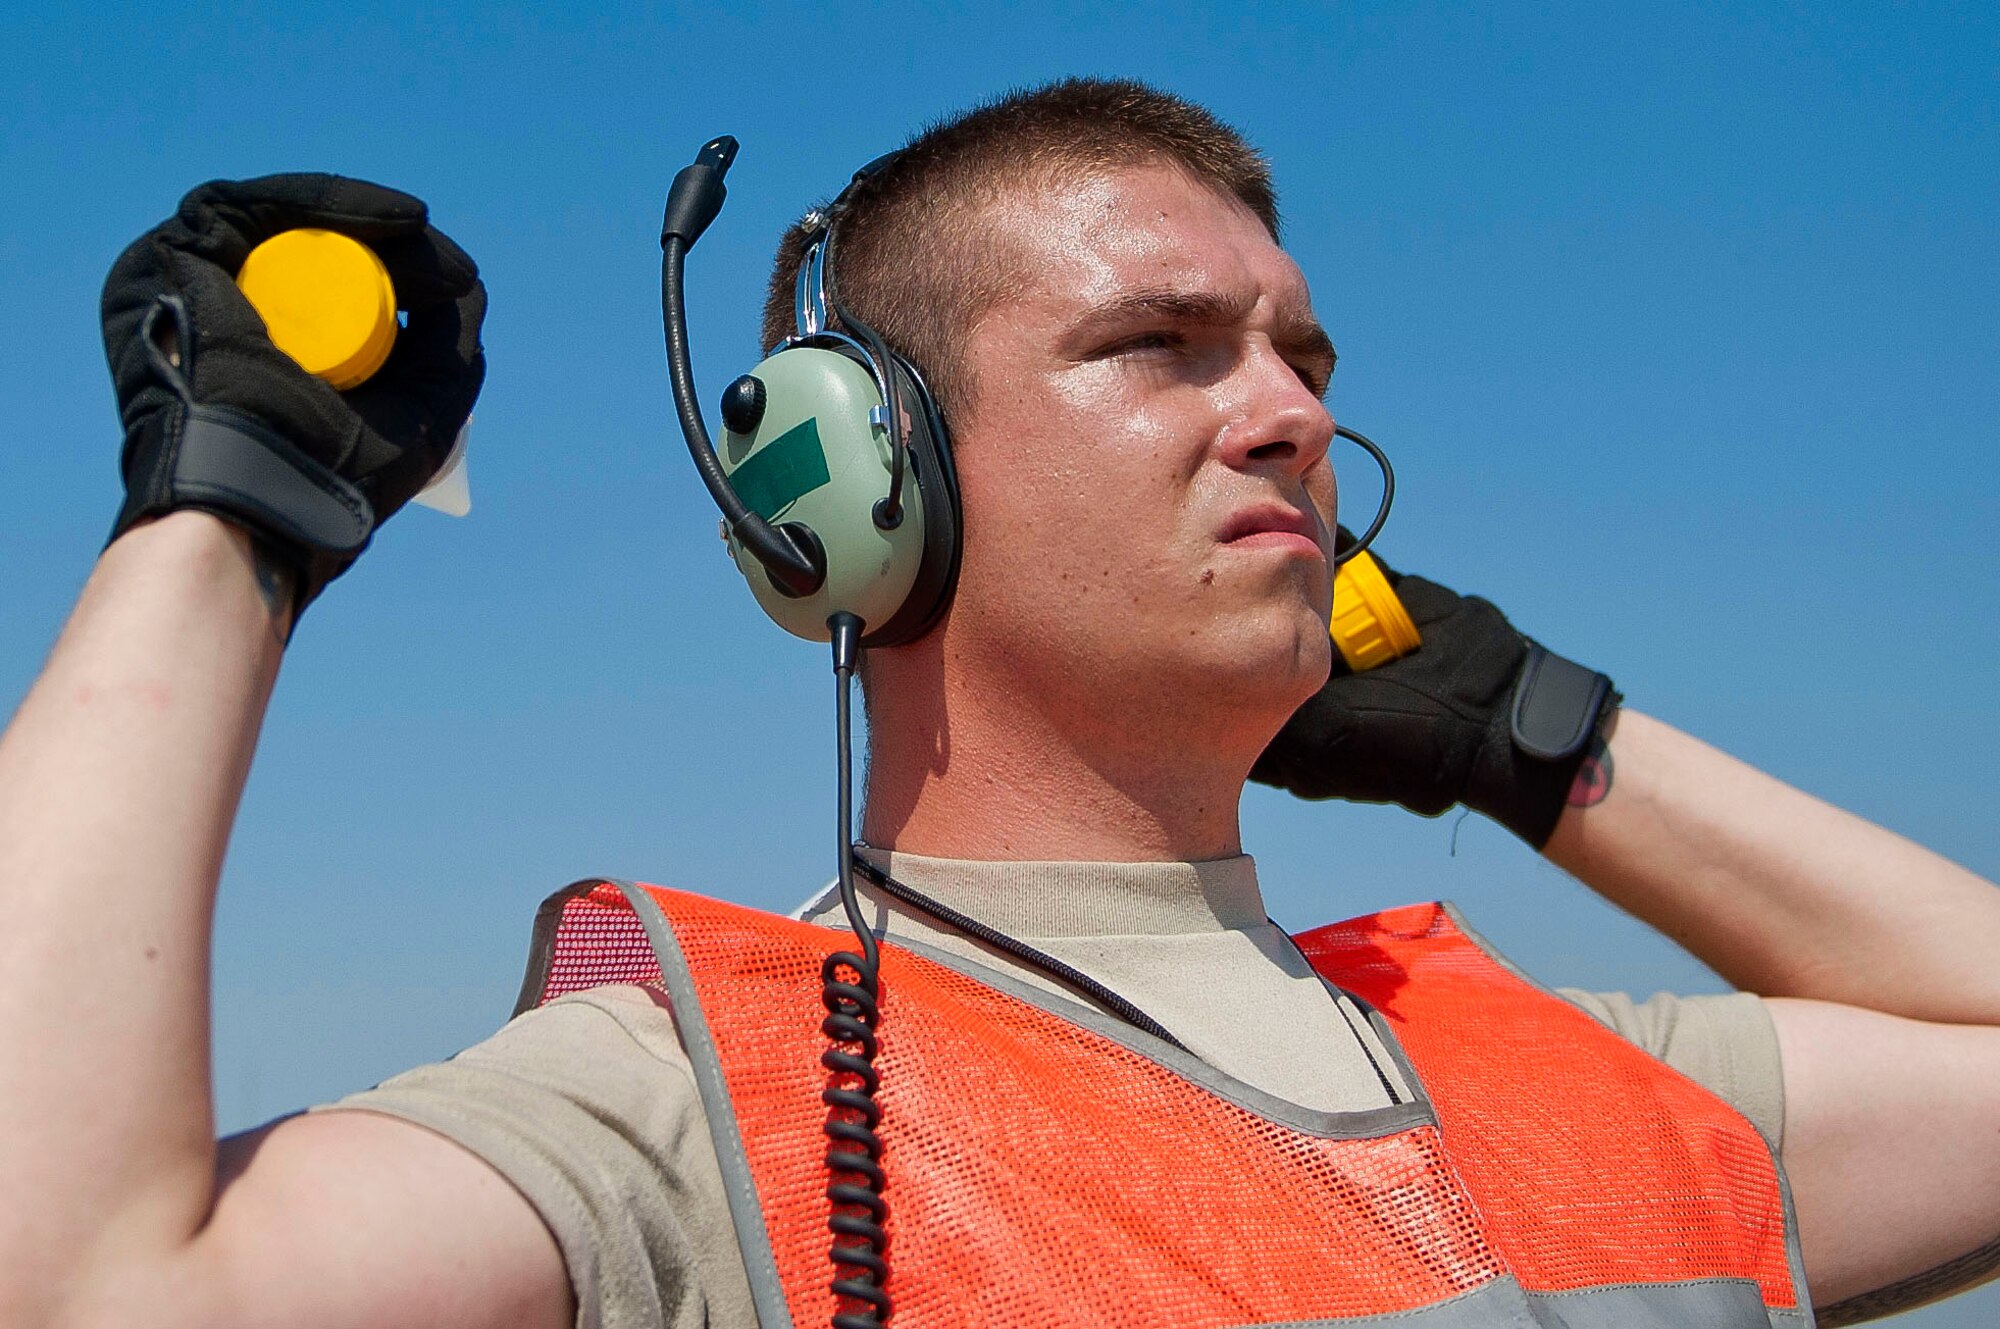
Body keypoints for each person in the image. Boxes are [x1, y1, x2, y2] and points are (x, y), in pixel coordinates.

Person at [0, 77, 1995, 1329]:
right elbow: (75, 1284)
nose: (1294, 413)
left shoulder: (1554, 1064)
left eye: (1300, 353)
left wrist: (1535, 734)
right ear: (856, 481)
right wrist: (225, 511)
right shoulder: (711, 1099)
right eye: (1161, 343)